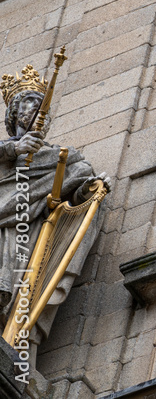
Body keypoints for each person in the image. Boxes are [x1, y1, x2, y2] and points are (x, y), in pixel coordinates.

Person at [0, 65, 104, 352]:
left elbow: (67, 195)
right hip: (2, 227)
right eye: (29, 103)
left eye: (40, 103)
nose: (36, 109)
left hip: (29, 233)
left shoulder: (58, 159)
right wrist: (14, 150)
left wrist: (88, 191)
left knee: (20, 291)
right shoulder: (5, 153)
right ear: (14, 113)